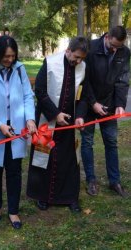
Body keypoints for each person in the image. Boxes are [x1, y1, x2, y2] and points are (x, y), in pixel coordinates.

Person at [0, 35, 37, 229]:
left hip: (17, 130)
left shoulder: (20, 69)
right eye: (6, 56)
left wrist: (30, 118)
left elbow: (28, 96)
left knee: (14, 171)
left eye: (12, 56)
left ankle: (13, 211)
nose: (9, 60)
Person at [27, 37, 89, 213]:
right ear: (68, 50)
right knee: (44, 158)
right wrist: (55, 114)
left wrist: (81, 116)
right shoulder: (51, 63)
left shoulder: (83, 68)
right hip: (48, 120)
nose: (78, 61)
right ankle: (43, 197)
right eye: (76, 57)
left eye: (81, 59)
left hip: (70, 124)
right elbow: (39, 90)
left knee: (70, 161)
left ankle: (70, 197)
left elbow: (84, 96)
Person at [78, 26, 130, 197]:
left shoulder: (124, 52)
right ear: (107, 37)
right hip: (88, 104)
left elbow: (122, 80)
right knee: (87, 142)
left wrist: (120, 104)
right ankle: (91, 180)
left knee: (111, 142)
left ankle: (114, 181)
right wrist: (93, 103)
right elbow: (84, 80)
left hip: (109, 106)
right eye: (112, 46)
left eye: (118, 47)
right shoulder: (90, 48)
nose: (115, 50)